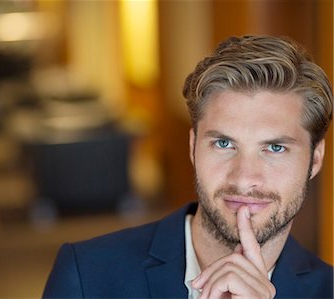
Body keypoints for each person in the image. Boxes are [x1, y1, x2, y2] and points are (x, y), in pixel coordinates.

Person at [42, 35, 333, 298]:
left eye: (275, 148)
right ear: (193, 146)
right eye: (223, 144)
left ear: (315, 158)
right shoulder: (87, 274)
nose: (244, 179)